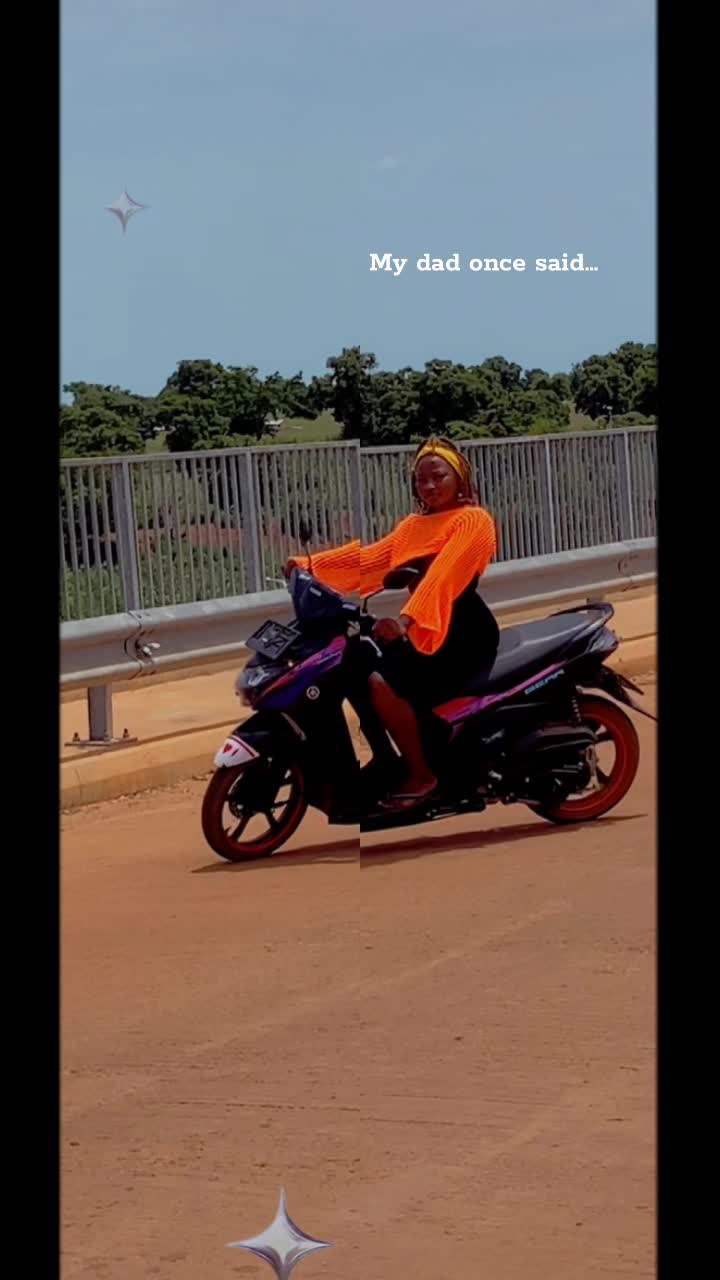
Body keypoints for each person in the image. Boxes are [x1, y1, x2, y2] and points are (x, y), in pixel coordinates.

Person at [285, 437, 499, 810]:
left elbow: (444, 576)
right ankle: (387, 758)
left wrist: (405, 619)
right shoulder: (413, 526)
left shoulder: (473, 520)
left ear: (460, 478)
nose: (429, 486)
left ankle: (423, 774)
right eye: (421, 480)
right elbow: (370, 560)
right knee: (355, 666)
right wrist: (309, 567)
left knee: (382, 682)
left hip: (460, 632)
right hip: (422, 624)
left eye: (438, 477)